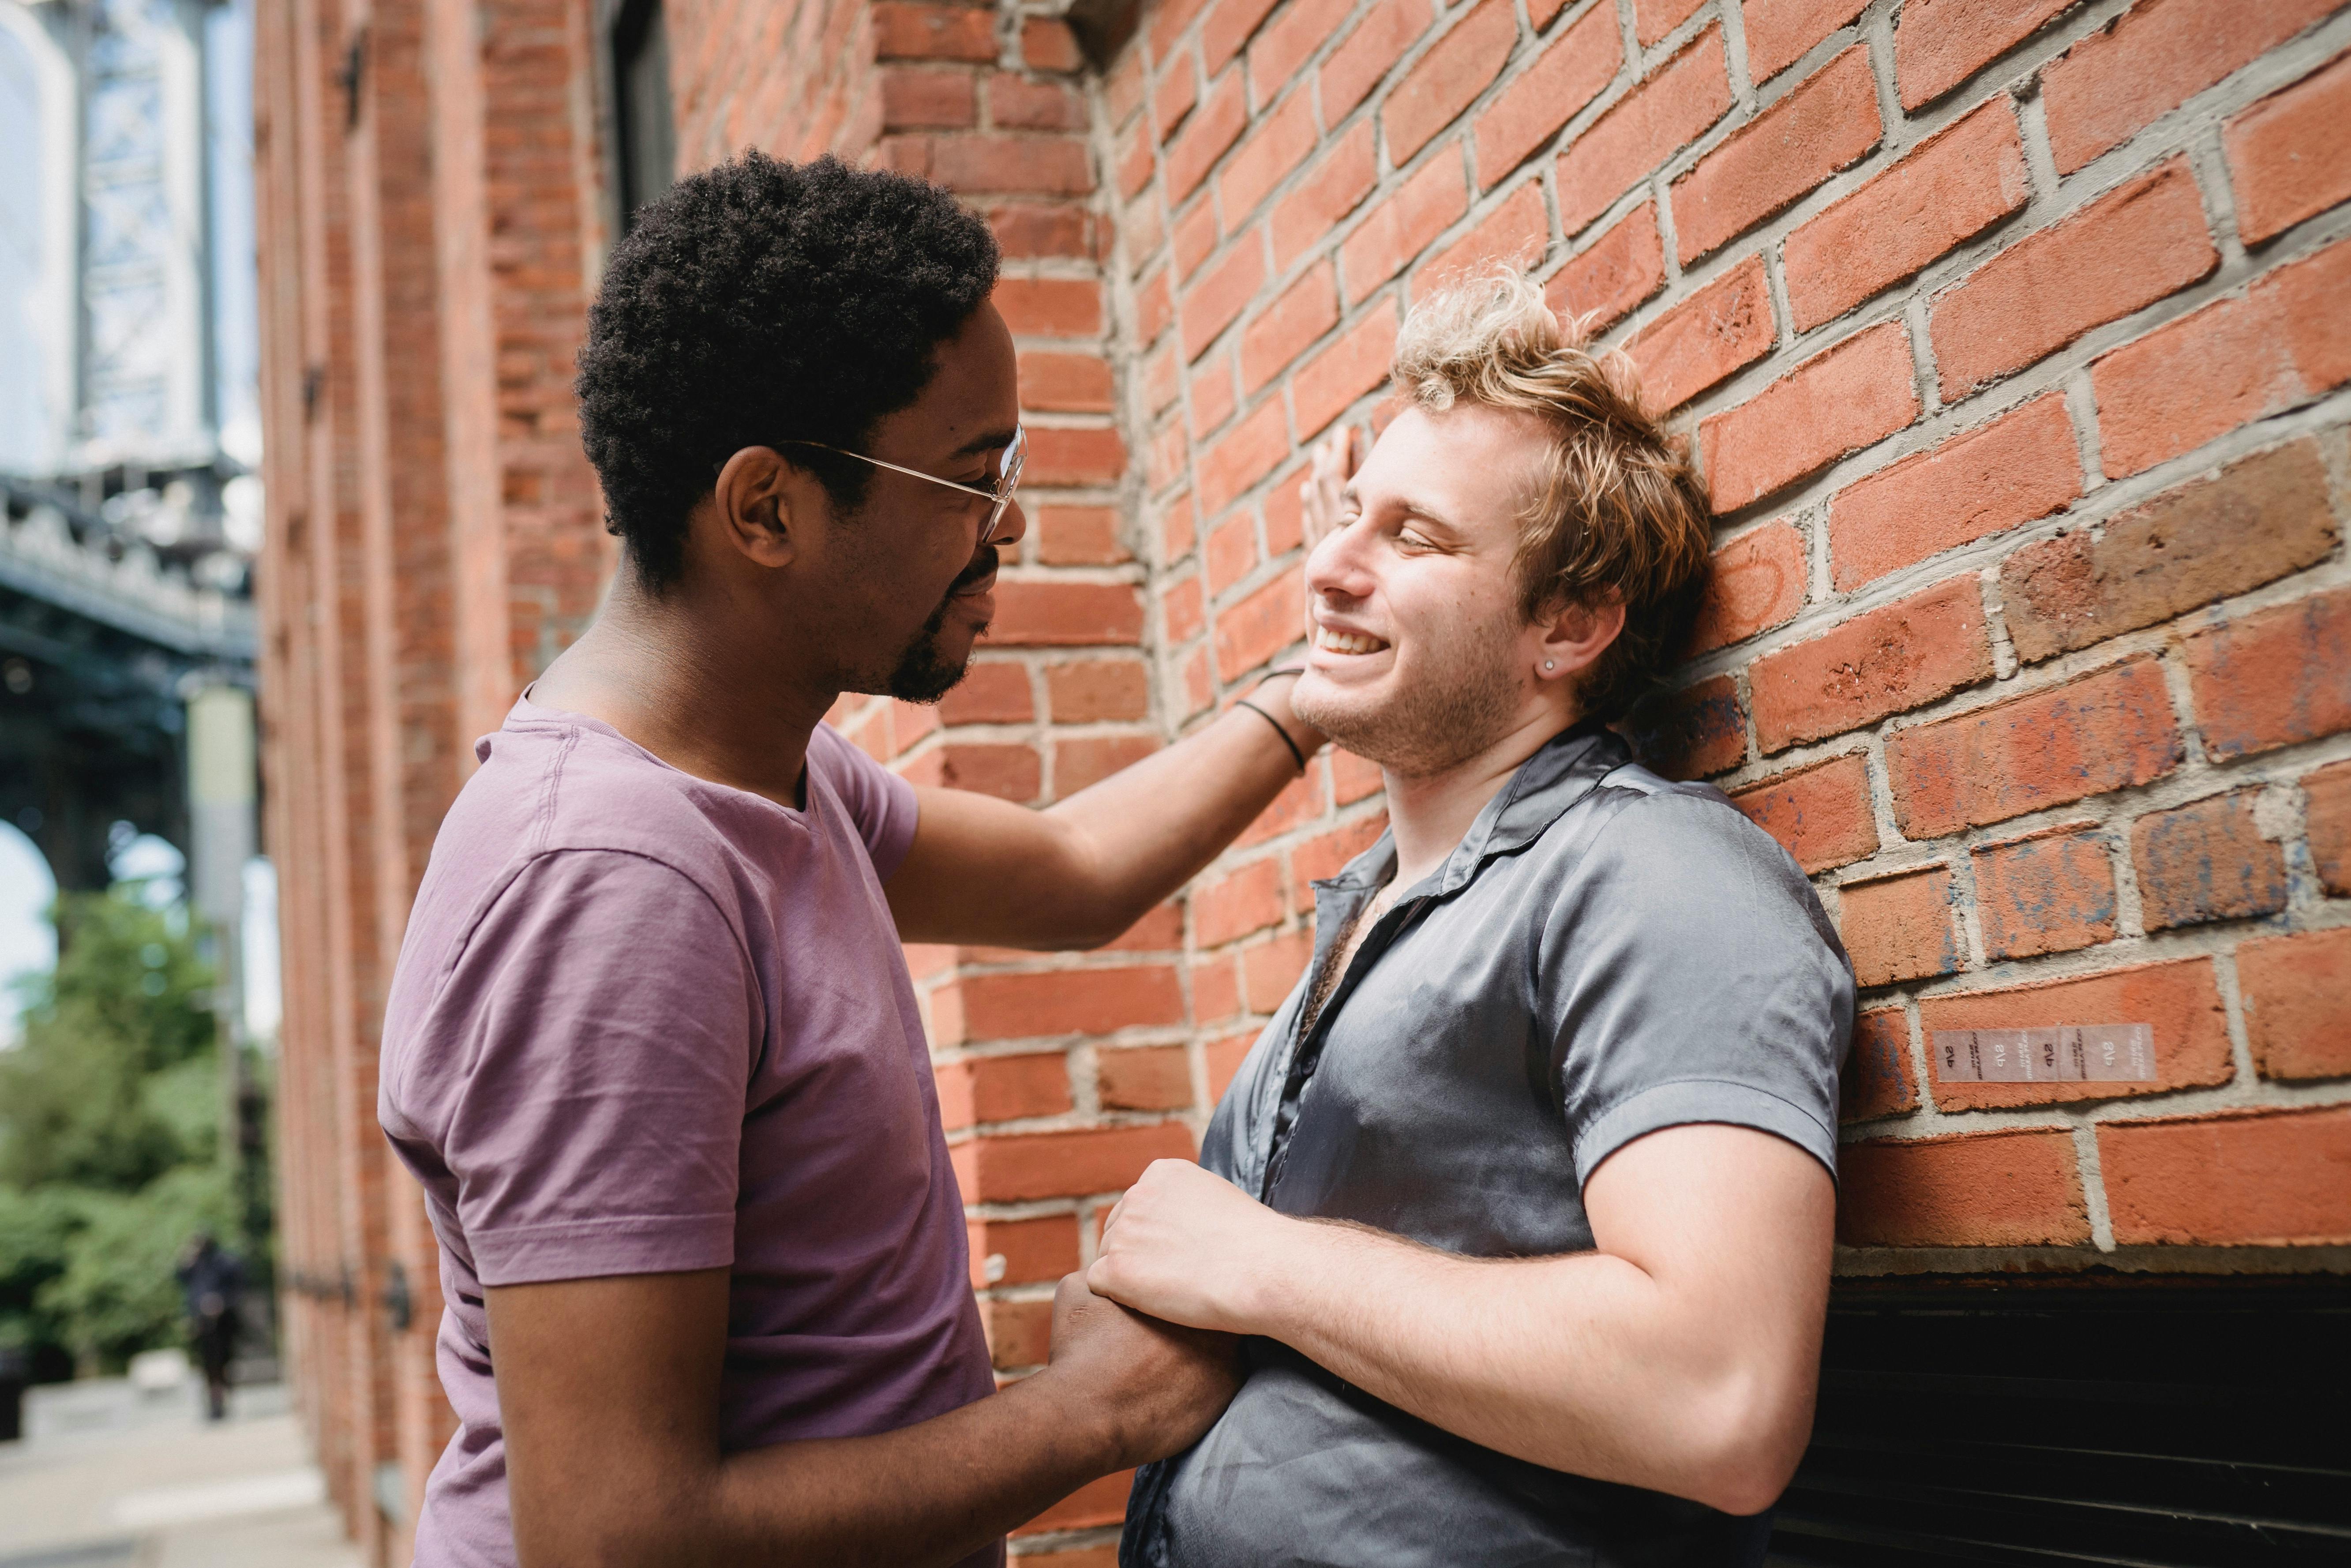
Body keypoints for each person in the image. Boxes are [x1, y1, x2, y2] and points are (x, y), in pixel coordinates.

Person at [376, 151, 1330, 1568]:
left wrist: (1312, 696)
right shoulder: (608, 885)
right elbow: (616, 1534)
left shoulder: (765, 767)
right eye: (966, 474)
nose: (1007, 520)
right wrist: (1086, 1411)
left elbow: (1070, 870)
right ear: (765, 507)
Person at [1088, 270, 1856, 1567]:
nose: (1326, 566)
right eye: (1344, 519)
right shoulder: (1381, 904)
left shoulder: (1652, 874)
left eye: (1414, 535)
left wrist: (1261, 1262)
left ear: (1569, 623)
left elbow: (1719, 1400)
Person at [175, 1231, 245, 1422]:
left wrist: (221, 1303)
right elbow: (180, 1279)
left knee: (223, 1362)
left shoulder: (226, 1263)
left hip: (224, 1322)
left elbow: (238, 1290)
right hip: (202, 1322)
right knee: (208, 1364)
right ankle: (215, 1401)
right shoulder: (196, 1264)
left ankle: (221, 1398)